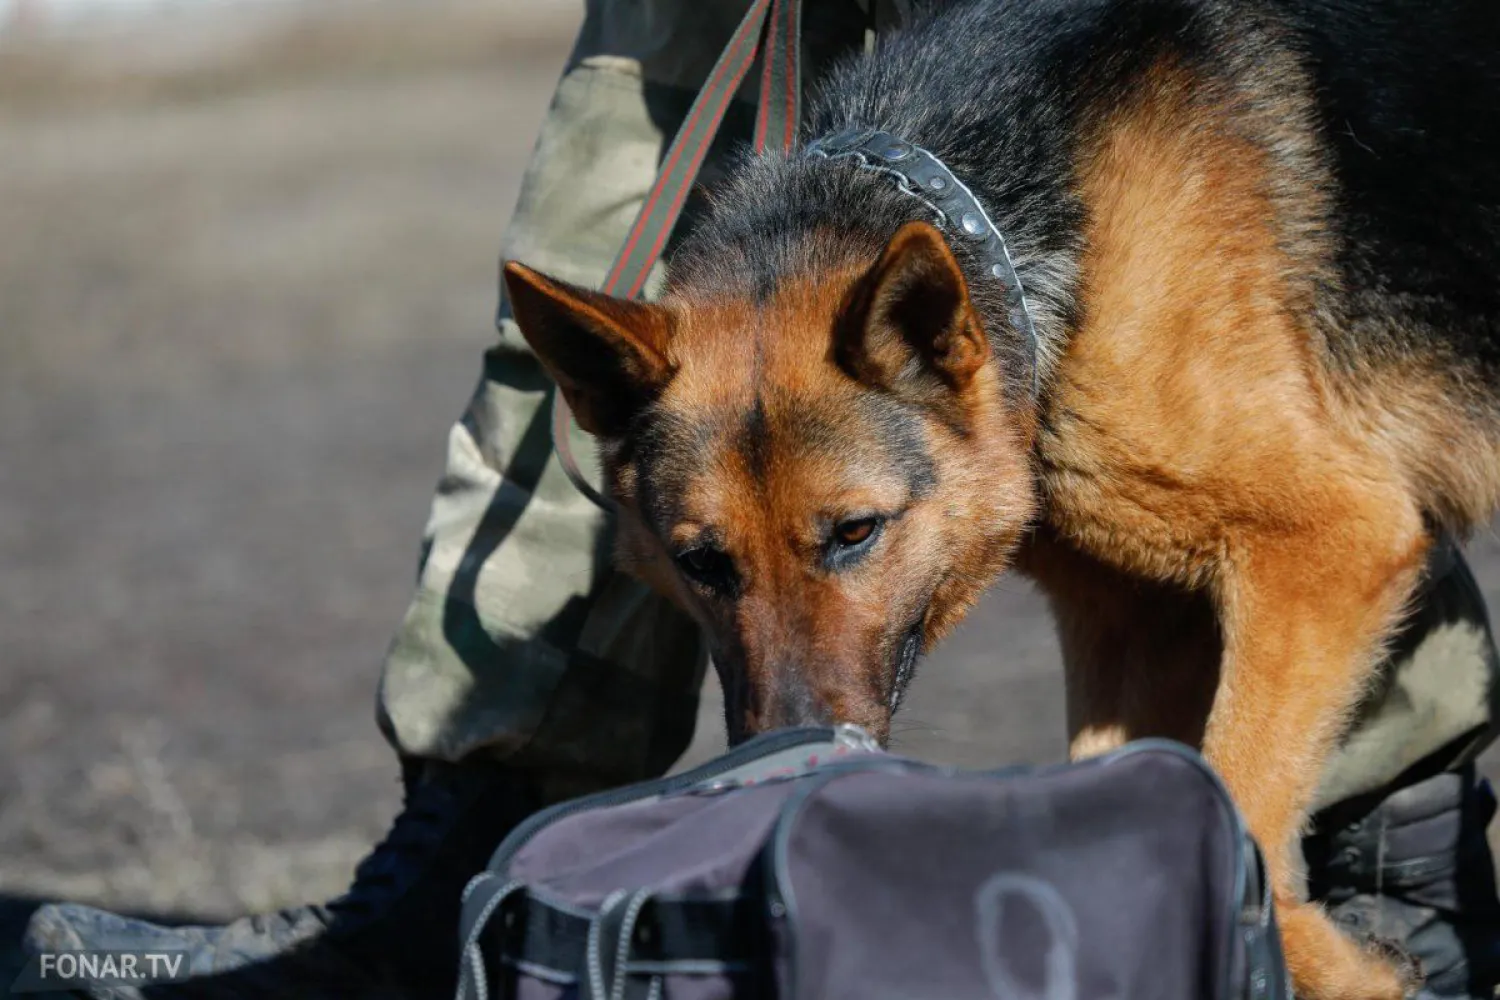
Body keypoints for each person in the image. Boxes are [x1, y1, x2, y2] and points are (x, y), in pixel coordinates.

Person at [25, 1, 1500, 997]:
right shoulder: (988, 390)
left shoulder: (1107, 338)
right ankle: (490, 847)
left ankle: (1382, 886)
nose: (794, 696)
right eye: (718, 568)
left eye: (845, 543)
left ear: (943, 351)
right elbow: (1142, 632)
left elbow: (1342, 532)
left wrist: (1232, 880)